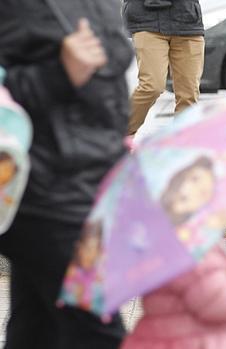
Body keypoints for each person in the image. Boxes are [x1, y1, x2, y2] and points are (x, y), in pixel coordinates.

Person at [0, 0, 133, 347]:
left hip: (91, 181)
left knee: (36, 329)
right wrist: (59, 73)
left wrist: (117, 152)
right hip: (41, 192)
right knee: (100, 332)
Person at [120, 240, 226, 349]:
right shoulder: (191, 248)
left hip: (160, 337)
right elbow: (216, 302)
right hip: (198, 341)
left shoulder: (154, 246)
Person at [123, 0, 205, 135]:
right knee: (152, 86)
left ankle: (183, 143)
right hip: (146, 20)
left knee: (188, 94)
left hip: (187, 20)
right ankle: (122, 134)